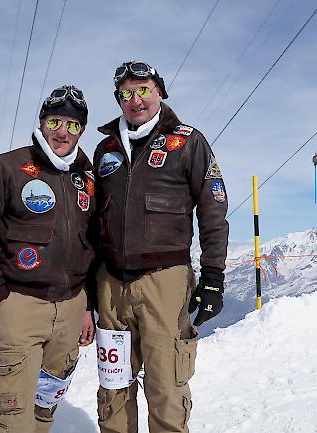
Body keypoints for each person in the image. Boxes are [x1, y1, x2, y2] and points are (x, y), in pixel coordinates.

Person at [92, 61, 229, 433]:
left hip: (164, 283)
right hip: (110, 285)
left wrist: (213, 276)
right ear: (118, 99)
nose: (135, 100)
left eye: (144, 90)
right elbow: (91, 221)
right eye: (126, 93)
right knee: (113, 387)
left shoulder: (187, 141)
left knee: (165, 384)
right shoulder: (105, 149)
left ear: (160, 92)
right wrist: (89, 282)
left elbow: (214, 212)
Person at [0, 85, 97, 433]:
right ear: (42, 122)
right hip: (20, 303)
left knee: (44, 408)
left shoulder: (87, 177)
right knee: (9, 414)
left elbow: (94, 245)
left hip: (71, 309)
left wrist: (87, 306)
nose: (63, 132)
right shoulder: (8, 167)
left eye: (73, 125)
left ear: (82, 130)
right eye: (55, 122)